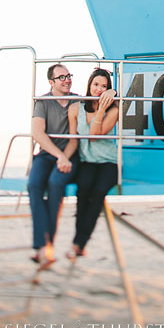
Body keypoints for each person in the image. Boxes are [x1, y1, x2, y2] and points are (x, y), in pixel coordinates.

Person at [28, 63, 79, 267]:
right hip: (49, 154)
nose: (67, 79)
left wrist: (64, 158)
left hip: (70, 155)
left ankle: (47, 245)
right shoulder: (42, 102)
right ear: (51, 82)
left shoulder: (78, 101)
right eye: (62, 77)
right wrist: (59, 156)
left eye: (69, 76)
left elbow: (75, 139)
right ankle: (41, 245)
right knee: (34, 185)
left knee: (56, 184)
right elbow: (38, 134)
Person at [69, 67, 119, 259]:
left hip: (108, 161)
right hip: (87, 160)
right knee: (83, 192)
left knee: (98, 193)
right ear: (89, 85)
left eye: (104, 86)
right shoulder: (76, 109)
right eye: (96, 84)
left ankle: (79, 243)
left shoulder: (113, 110)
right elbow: (74, 139)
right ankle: (78, 242)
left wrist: (102, 108)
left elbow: (95, 136)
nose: (99, 89)